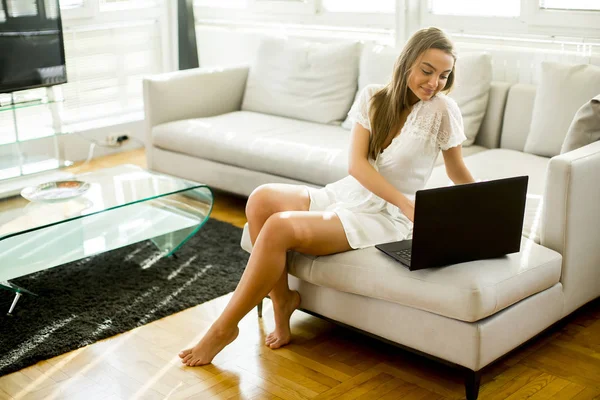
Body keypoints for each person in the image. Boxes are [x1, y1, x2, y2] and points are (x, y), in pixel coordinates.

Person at [178, 26, 476, 367]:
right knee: (260, 199)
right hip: (355, 194)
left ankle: (223, 329)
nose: (434, 82)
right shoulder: (373, 98)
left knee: (278, 228)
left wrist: (487, 206)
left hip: (385, 216)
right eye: (427, 71)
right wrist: (405, 202)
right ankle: (282, 300)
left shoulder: (442, 109)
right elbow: (357, 166)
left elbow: (456, 171)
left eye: (443, 75)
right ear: (407, 62)